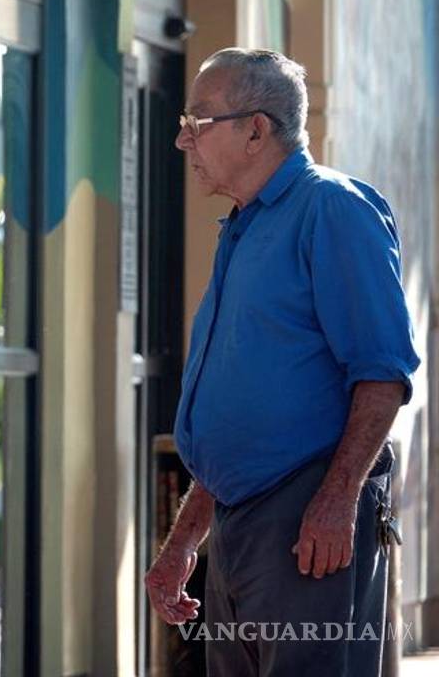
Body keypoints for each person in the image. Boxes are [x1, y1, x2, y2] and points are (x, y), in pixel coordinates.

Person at [144, 48, 420, 676]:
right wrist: (185, 540)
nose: (183, 139)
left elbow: (382, 375)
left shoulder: (333, 209)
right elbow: (244, 408)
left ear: (255, 130)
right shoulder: (242, 225)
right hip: (242, 524)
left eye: (198, 120)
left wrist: (336, 501)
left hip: (305, 522)